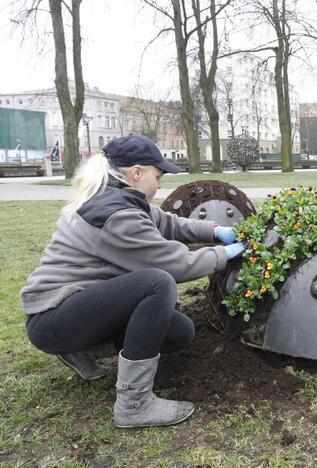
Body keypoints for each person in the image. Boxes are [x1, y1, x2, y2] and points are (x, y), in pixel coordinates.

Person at [20, 134, 244, 428]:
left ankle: (81, 349)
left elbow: (168, 223)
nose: (160, 183)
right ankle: (134, 405)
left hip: (71, 311)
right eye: (158, 175)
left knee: (178, 331)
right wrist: (223, 255)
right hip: (52, 318)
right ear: (137, 173)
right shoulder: (116, 213)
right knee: (157, 282)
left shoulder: (118, 198)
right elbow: (172, 263)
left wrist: (214, 230)